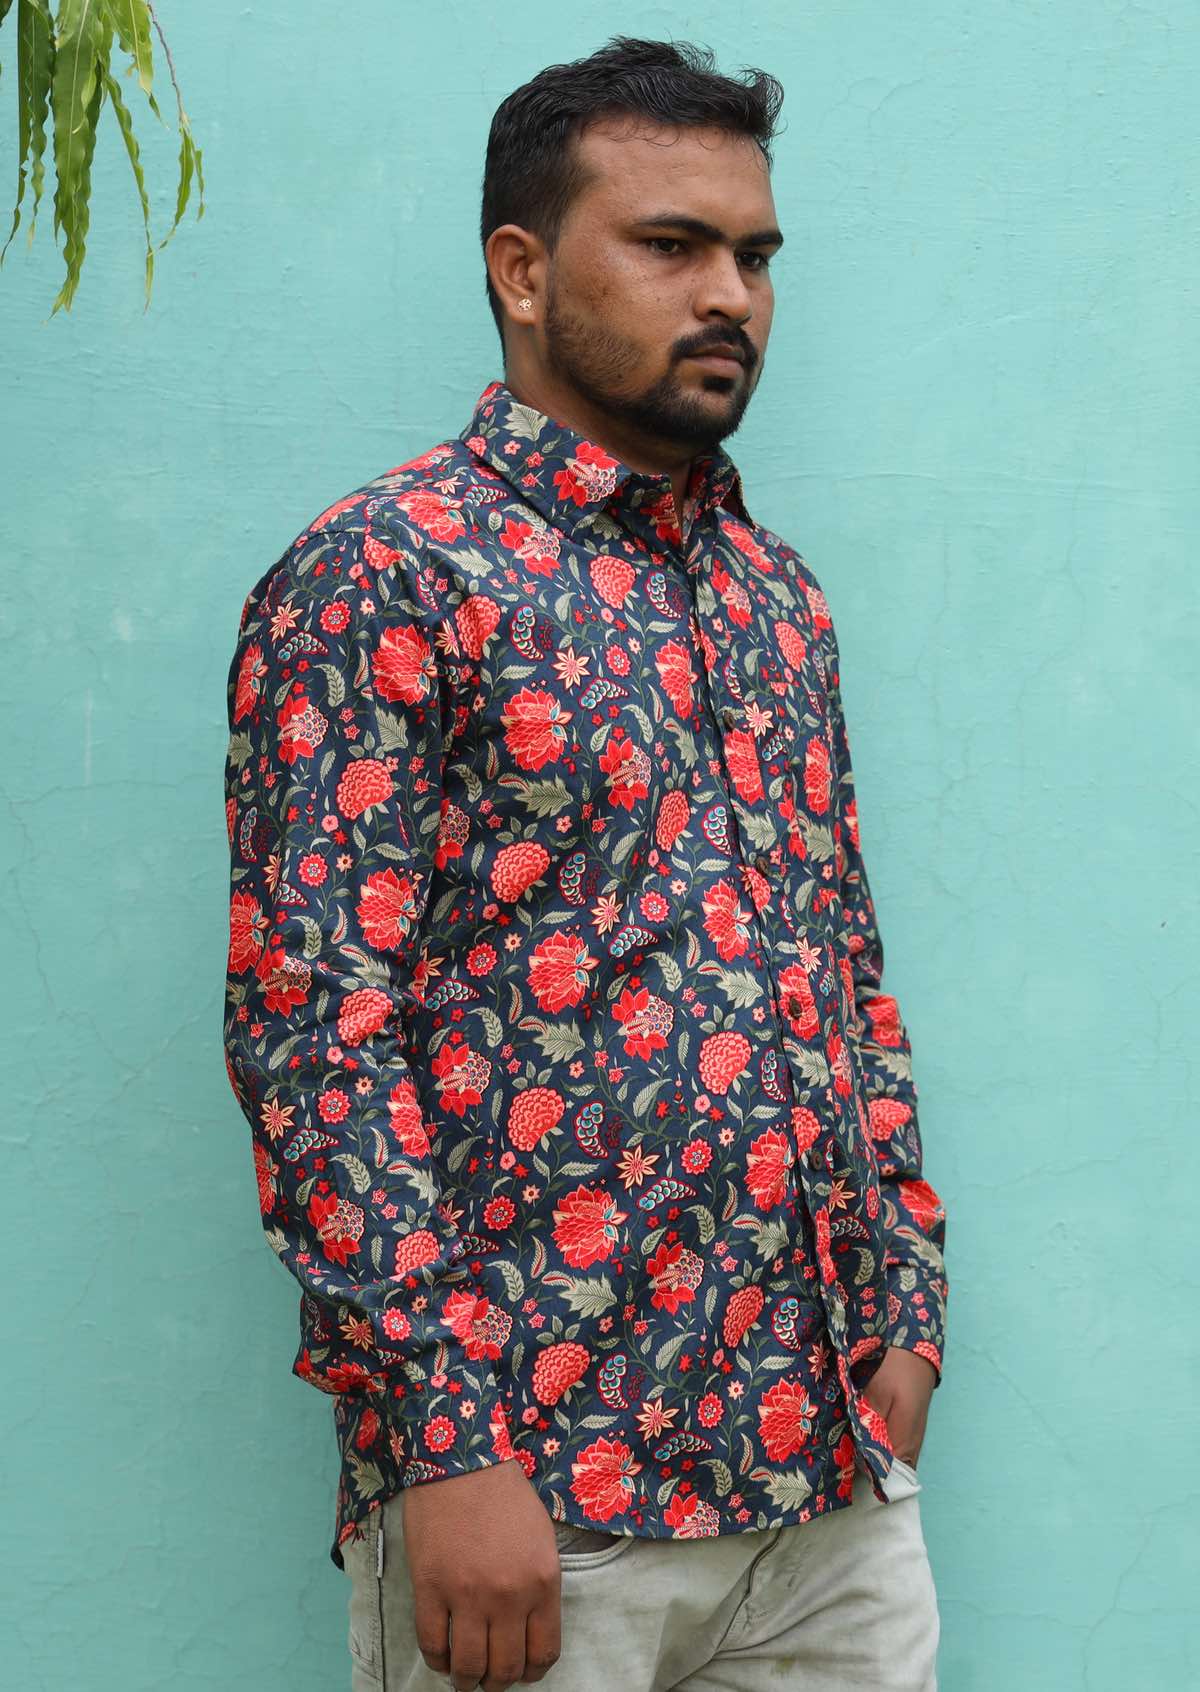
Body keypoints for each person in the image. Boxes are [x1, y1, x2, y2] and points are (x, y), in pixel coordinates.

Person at [222, 35, 948, 1692]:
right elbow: (312, 1035)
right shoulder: (383, 576)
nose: (732, 296)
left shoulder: (779, 601)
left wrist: (904, 1295)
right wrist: (445, 1443)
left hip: (828, 1494)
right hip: (544, 1505)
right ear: (524, 271)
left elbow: (842, 973)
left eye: (755, 255)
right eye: (672, 244)